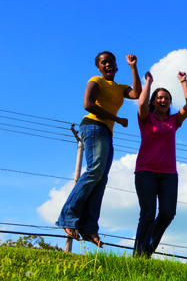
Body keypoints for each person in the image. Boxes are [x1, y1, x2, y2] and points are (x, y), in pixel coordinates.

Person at [57, 51, 141, 247]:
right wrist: (117, 119)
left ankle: (89, 228)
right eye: (104, 63)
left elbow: (137, 94)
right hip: (93, 126)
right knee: (95, 171)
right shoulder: (96, 80)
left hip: (106, 132)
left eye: (111, 62)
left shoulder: (119, 88)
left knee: (101, 179)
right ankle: (69, 217)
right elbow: (88, 104)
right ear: (99, 67)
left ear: (116, 65)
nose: (108, 65)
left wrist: (133, 67)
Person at [133, 71, 187, 257]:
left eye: (167, 98)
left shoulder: (173, 121)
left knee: (168, 213)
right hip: (146, 172)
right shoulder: (146, 119)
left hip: (169, 174)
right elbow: (141, 103)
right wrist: (149, 83)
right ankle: (139, 255)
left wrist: (184, 81)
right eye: (159, 98)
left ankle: (147, 248)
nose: (163, 100)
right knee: (148, 214)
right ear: (154, 101)